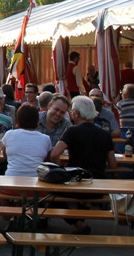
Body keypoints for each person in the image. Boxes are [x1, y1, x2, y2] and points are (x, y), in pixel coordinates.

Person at [50, 95, 116, 234]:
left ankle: (78, 223)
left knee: (49, 194)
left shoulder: (72, 131)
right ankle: (79, 223)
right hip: (99, 186)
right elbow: (113, 164)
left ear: (77, 114)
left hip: (77, 183)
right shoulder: (105, 134)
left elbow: (55, 154)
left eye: (72, 111)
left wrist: (60, 170)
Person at [0, 104, 52, 177]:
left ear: (18, 119)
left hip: (11, 180)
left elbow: (5, 156)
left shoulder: (9, 134)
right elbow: (46, 160)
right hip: (36, 182)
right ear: (37, 120)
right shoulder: (46, 139)